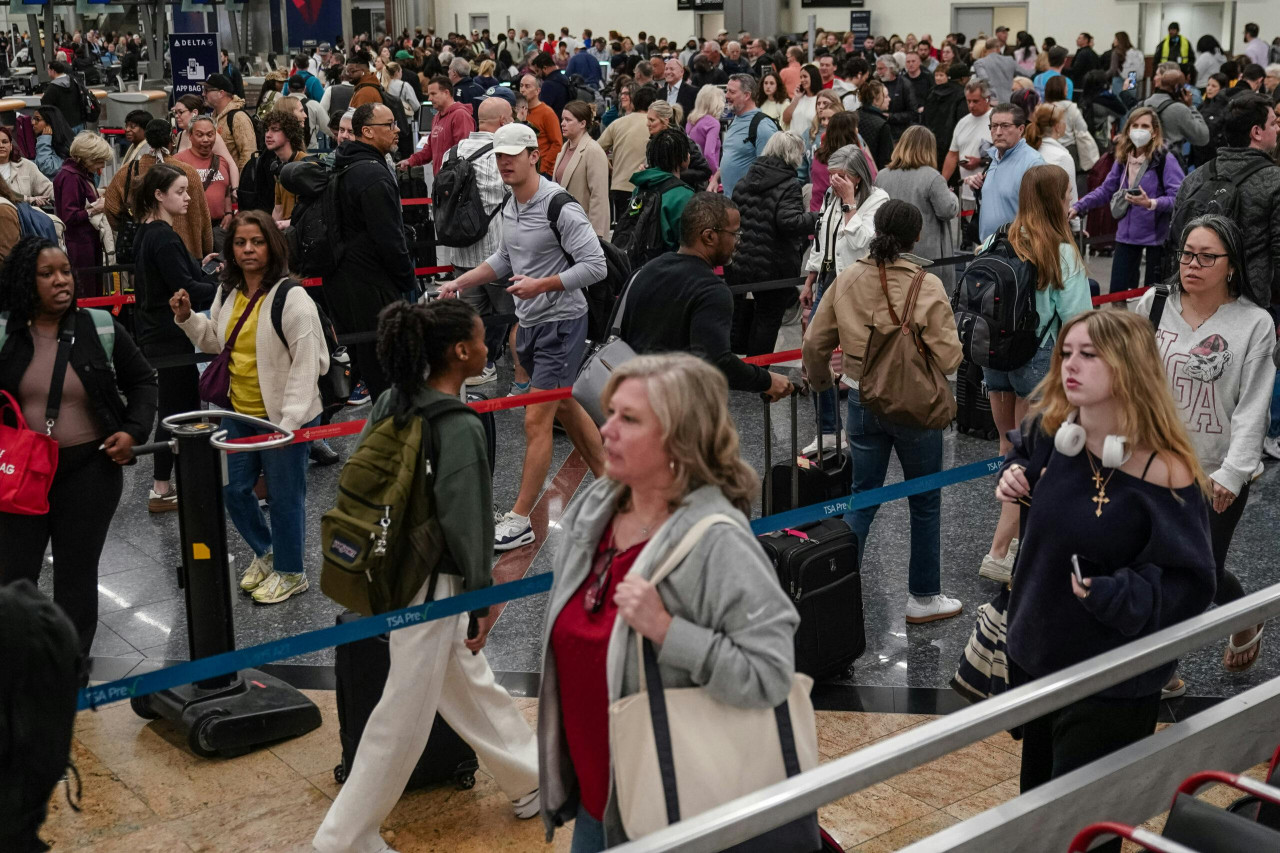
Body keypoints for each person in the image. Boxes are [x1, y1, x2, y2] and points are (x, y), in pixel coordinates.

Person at [536, 351, 797, 849]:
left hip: (673, 807)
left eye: (629, 419)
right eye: (610, 412)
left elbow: (770, 674)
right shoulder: (595, 508)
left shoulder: (718, 542)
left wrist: (668, 631)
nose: (605, 429)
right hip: (598, 801)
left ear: (681, 438)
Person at [312, 298, 540, 851]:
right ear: (460, 352)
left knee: (462, 677)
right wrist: (478, 600)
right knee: (404, 712)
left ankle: (530, 778)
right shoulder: (458, 425)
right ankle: (345, 837)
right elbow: (469, 524)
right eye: (482, 339)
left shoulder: (392, 399)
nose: (487, 348)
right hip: (435, 581)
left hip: (390, 565)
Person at [997, 310, 1215, 852]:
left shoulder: (1167, 473)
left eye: (1089, 355)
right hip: (1043, 663)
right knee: (1040, 823)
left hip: (1112, 682)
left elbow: (1191, 585)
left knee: (1085, 834)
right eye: (1067, 353)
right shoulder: (1055, 434)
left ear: (1128, 366)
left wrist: (1120, 594)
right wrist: (1014, 474)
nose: (1070, 365)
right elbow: (1022, 458)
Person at [438, 122, 606, 552]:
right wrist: (460, 281)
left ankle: (520, 519)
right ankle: (613, 484)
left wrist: (541, 285)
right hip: (530, 323)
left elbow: (595, 266)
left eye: (512, 154)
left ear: (534, 155)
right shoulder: (511, 204)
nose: (504, 162)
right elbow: (504, 257)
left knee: (536, 419)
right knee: (565, 404)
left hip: (561, 324)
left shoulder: (559, 206)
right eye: (499, 155)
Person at [0, 235, 157, 677]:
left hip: (89, 471)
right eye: (46, 274)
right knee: (15, 578)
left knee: (76, 576)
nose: (61, 281)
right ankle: (18, 671)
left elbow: (143, 380)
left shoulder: (98, 327)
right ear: (25, 281)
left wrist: (133, 430)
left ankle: (67, 675)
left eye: (65, 271)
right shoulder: (6, 334)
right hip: (21, 474)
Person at [802, 199, 965, 624]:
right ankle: (923, 599)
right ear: (916, 237)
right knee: (924, 501)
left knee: (863, 497)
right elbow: (950, 357)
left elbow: (814, 343)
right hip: (915, 407)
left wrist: (823, 385)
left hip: (861, 399)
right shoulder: (925, 284)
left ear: (875, 231)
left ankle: (832, 587)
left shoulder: (849, 277)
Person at [1134, 215, 1273, 686]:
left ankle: (1244, 615)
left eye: (1207, 257)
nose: (1192, 264)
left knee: (1202, 570)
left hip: (1214, 469)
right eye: (1187, 254)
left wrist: (1233, 473)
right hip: (1151, 463)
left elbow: (1253, 405)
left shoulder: (1254, 323)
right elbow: (1128, 375)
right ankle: (1160, 671)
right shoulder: (1155, 303)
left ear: (1231, 266)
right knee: (1150, 564)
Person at [169, 210, 327, 604]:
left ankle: (291, 572)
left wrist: (289, 425)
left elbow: (307, 366)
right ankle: (267, 551)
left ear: (273, 246)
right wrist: (187, 318)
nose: (248, 250)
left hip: (284, 419)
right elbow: (216, 340)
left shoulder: (292, 298)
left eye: (257, 242)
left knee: (285, 497)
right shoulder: (229, 290)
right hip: (239, 412)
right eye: (240, 243)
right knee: (235, 489)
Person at [979, 165, 1094, 583]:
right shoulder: (1061, 251)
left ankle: (1013, 541)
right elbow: (1079, 319)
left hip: (994, 359)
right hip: (1038, 360)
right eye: (1067, 194)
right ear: (1055, 199)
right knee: (1027, 462)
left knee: (1007, 450)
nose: (1070, 200)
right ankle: (1000, 551)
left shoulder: (997, 238)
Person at [130, 163, 219, 512]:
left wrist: (199, 266)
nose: (187, 198)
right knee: (178, 410)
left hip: (156, 331)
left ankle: (172, 483)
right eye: (180, 191)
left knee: (178, 407)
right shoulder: (164, 236)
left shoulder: (148, 231)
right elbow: (184, 288)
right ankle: (162, 487)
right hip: (170, 334)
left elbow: (175, 275)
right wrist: (224, 287)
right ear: (158, 194)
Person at [326, 102, 417, 400]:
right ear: (366, 132)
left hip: (345, 281)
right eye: (389, 124)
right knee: (386, 373)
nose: (397, 130)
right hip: (373, 287)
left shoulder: (345, 163)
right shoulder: (373, 175)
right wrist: (407, 281)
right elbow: (389, 239)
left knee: (365, 362)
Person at [802, 145, 888, 452]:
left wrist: (850, 203)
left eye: (841, 176)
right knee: (813, 349)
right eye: (832, 175)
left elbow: (866, 243)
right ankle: (828, 428)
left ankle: (864, 428)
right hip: (829, 280)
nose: (834, 182)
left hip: (859, 286)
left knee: (859, 359)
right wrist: (810, 279)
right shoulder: (830, 197)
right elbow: (822, 240)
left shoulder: (878, 200)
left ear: (858, 176)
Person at [1169, 93, 1279, 308]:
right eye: (1273, 123)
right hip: (1248, 302)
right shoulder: (1275, 180)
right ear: (1256, 132)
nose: (1277, 129)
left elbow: (1175, 233)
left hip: (1192, 297)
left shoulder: (1195, 177)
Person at [1071, 107, 1184, 289]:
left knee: (1152, 297)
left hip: (1155, 241)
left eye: (1145, 126)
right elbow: (1106, 190)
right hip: (1125, 237)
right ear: (1128, 129)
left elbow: (1178, 198)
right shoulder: (1123, 158)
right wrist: (1079, 206)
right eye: (1135, 125)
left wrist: (1151, 203)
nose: (1139, 130)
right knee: (1117, 294)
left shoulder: (1164, 159)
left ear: (1155, 132)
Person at [728, 132, 816, 356]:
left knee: (743, 315)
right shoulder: (789, 185)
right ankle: (759, 369)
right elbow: (790, 222)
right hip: (774, 267)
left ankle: (741, 366)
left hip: (741, 260)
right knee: (768, 319)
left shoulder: (745, 180)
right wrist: (819, 219)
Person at [105, 120, 214, 261]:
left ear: (147, 139)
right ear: (172, 139)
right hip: (187, 253)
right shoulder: (188, 173)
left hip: (143, 254)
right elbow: (203, 216)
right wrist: (207, 249)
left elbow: (111, 207)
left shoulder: (127, 171)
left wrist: (128, 225)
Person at [875, 126, 961, 292]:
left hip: (890, 253)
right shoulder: (932, 177)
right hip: (926, 257)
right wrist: (952, 196)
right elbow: (947, 210)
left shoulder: (882, 176)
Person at [972, 103, 1045, 240]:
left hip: (1016, 249)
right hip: (987, 247)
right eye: (994, 126)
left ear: (1021, 129)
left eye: (1005, 126)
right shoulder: (995, 157)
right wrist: (977, 185)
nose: (998, 132)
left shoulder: (1033, 163)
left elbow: (1039, 216)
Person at [53, 132, 110, 298]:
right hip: (80, 245)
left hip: (86, 242)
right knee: (86, 293)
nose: (102, 165)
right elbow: (69, 216)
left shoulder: (78, 174)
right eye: (100, 160)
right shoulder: (71, 177)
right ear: (88, 157)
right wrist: (94, 209)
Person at [553, 100, 610, 238]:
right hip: (563, 227)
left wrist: (596, 234)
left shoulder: (593, 150)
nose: (562, 123)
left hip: (584, 230)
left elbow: (599, 196)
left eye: (568, 120)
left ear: (582, 124)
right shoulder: (565, 148)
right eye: (562, 119)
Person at [175, 115, 235, 244]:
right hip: (191, 229)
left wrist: (228, 213)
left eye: (210, 134)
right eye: (200, 135)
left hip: (218, 228)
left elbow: (226, 191)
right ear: (190, 136)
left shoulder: (222, 161)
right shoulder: (178, 161)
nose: (206, 139)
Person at [598, 83, 654, 218]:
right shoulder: (654, 125)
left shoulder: (617, 123)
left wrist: (610, 168)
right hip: (642, 187)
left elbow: (595, 148)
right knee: (639, 226)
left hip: (619, 186)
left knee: (623, 226)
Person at [400, 74, 474, 174]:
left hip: (454, 180)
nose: (429, 98)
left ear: (446, 93)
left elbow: (464, 152)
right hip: (441, 179)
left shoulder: (460, 115)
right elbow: (429, 150)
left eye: (433, 94)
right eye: (429, 94)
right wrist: (410, 161)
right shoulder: (437, 117)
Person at [720, 73, 778, 197]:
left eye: (732, 92)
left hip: (748, 203)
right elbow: (731, 155)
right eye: (727, 91)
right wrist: (716, 178)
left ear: (747, 95)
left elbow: (769, 172)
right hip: (730, 201)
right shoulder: (736, 118)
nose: (726, 95)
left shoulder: (762, 126)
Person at [645, 100, 711, 190]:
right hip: (659, 192)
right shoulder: (652, 143)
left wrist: (675, 175)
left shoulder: (684, 143)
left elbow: (705, 171)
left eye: (652, 120)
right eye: (648, 119)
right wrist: (647, 170)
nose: (647, 124)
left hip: (684, 192)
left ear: (665, 121)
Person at [1143, 69, 1210, 153]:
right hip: (1169, 159)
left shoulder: (1142, 105)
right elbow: (1203, 138)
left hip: (1143, 157)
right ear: (1177, 87)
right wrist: (1191, 107)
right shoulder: (1179, 109)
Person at [205, 72, 258, 171]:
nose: (203, 94)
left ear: (221, 93)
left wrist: (239, 179)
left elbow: (248, 154)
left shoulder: (238, 118)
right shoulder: (214, 117)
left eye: (206, 90)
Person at [263, 110, 308, 223]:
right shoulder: (279, 167)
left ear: (289, 133)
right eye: (267, 130)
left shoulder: (306, 166)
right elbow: (278, 210)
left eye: (275, 130)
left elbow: (313, 212)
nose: (268, 135)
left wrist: (288, 224)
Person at [923, 62, 970, 169]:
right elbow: (963, 121)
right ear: (963, 79)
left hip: (931, 141)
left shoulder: (932, 92)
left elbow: (926, 117)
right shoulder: (962, 95)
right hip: (952, 146)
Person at [518, 73, 564, 177]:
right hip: (525, 169)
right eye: (521, 86)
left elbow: (557, 144)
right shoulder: (520, 111)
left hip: (542, 172)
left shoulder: (547, 113)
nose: (522, 90)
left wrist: (543, 168)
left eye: (527, 86)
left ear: (537, 91)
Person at [0, 125, 52, 204]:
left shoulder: (26, 165)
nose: (1, 146)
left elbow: (48, 189)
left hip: (24, 211)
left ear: (11, 146)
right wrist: (29, 199)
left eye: (5, 142)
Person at [876, 54, 920, 141]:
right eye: (877, 69)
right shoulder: (877, 83)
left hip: (899, 135)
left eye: (881, 69)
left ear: (891, 68)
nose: (878, 72)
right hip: (879, 131)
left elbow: (913, 113)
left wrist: (891, 117)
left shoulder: (905, 85)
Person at [854, 79, 896, 170]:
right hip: (874, 173)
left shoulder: (853, 117)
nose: (889, 99)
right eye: (886, 96)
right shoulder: (882, 125)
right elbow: (886, 159)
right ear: (875, 100)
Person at [685, 85, 725, 174]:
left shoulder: (691, 120)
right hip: (707, 173)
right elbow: (708, 153)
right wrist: (716, 174)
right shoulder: (713, 123)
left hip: (692, 170)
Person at [40, 61, 87, 132]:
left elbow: (45, 106)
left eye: (48, 69)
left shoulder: (53, 87)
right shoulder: (74, 80)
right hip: (80, 122)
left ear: (53, 71)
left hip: (65, 126)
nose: (48, 71)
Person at [31, 106, 73, 180]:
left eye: (37, 119)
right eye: (33, 118)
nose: (33, 122)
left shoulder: (63, 145)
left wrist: (44, 140)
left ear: (50, 122)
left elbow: (47, 168)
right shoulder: (40, 138)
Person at [782, 64, 821, 136]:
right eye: (801, 77)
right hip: (794, 140)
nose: (802, 80)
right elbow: (785, 119)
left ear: (813, 77)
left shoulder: (820, 99)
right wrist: (796, 99)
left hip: (811, 140)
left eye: (805, 77)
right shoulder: (798, 98)